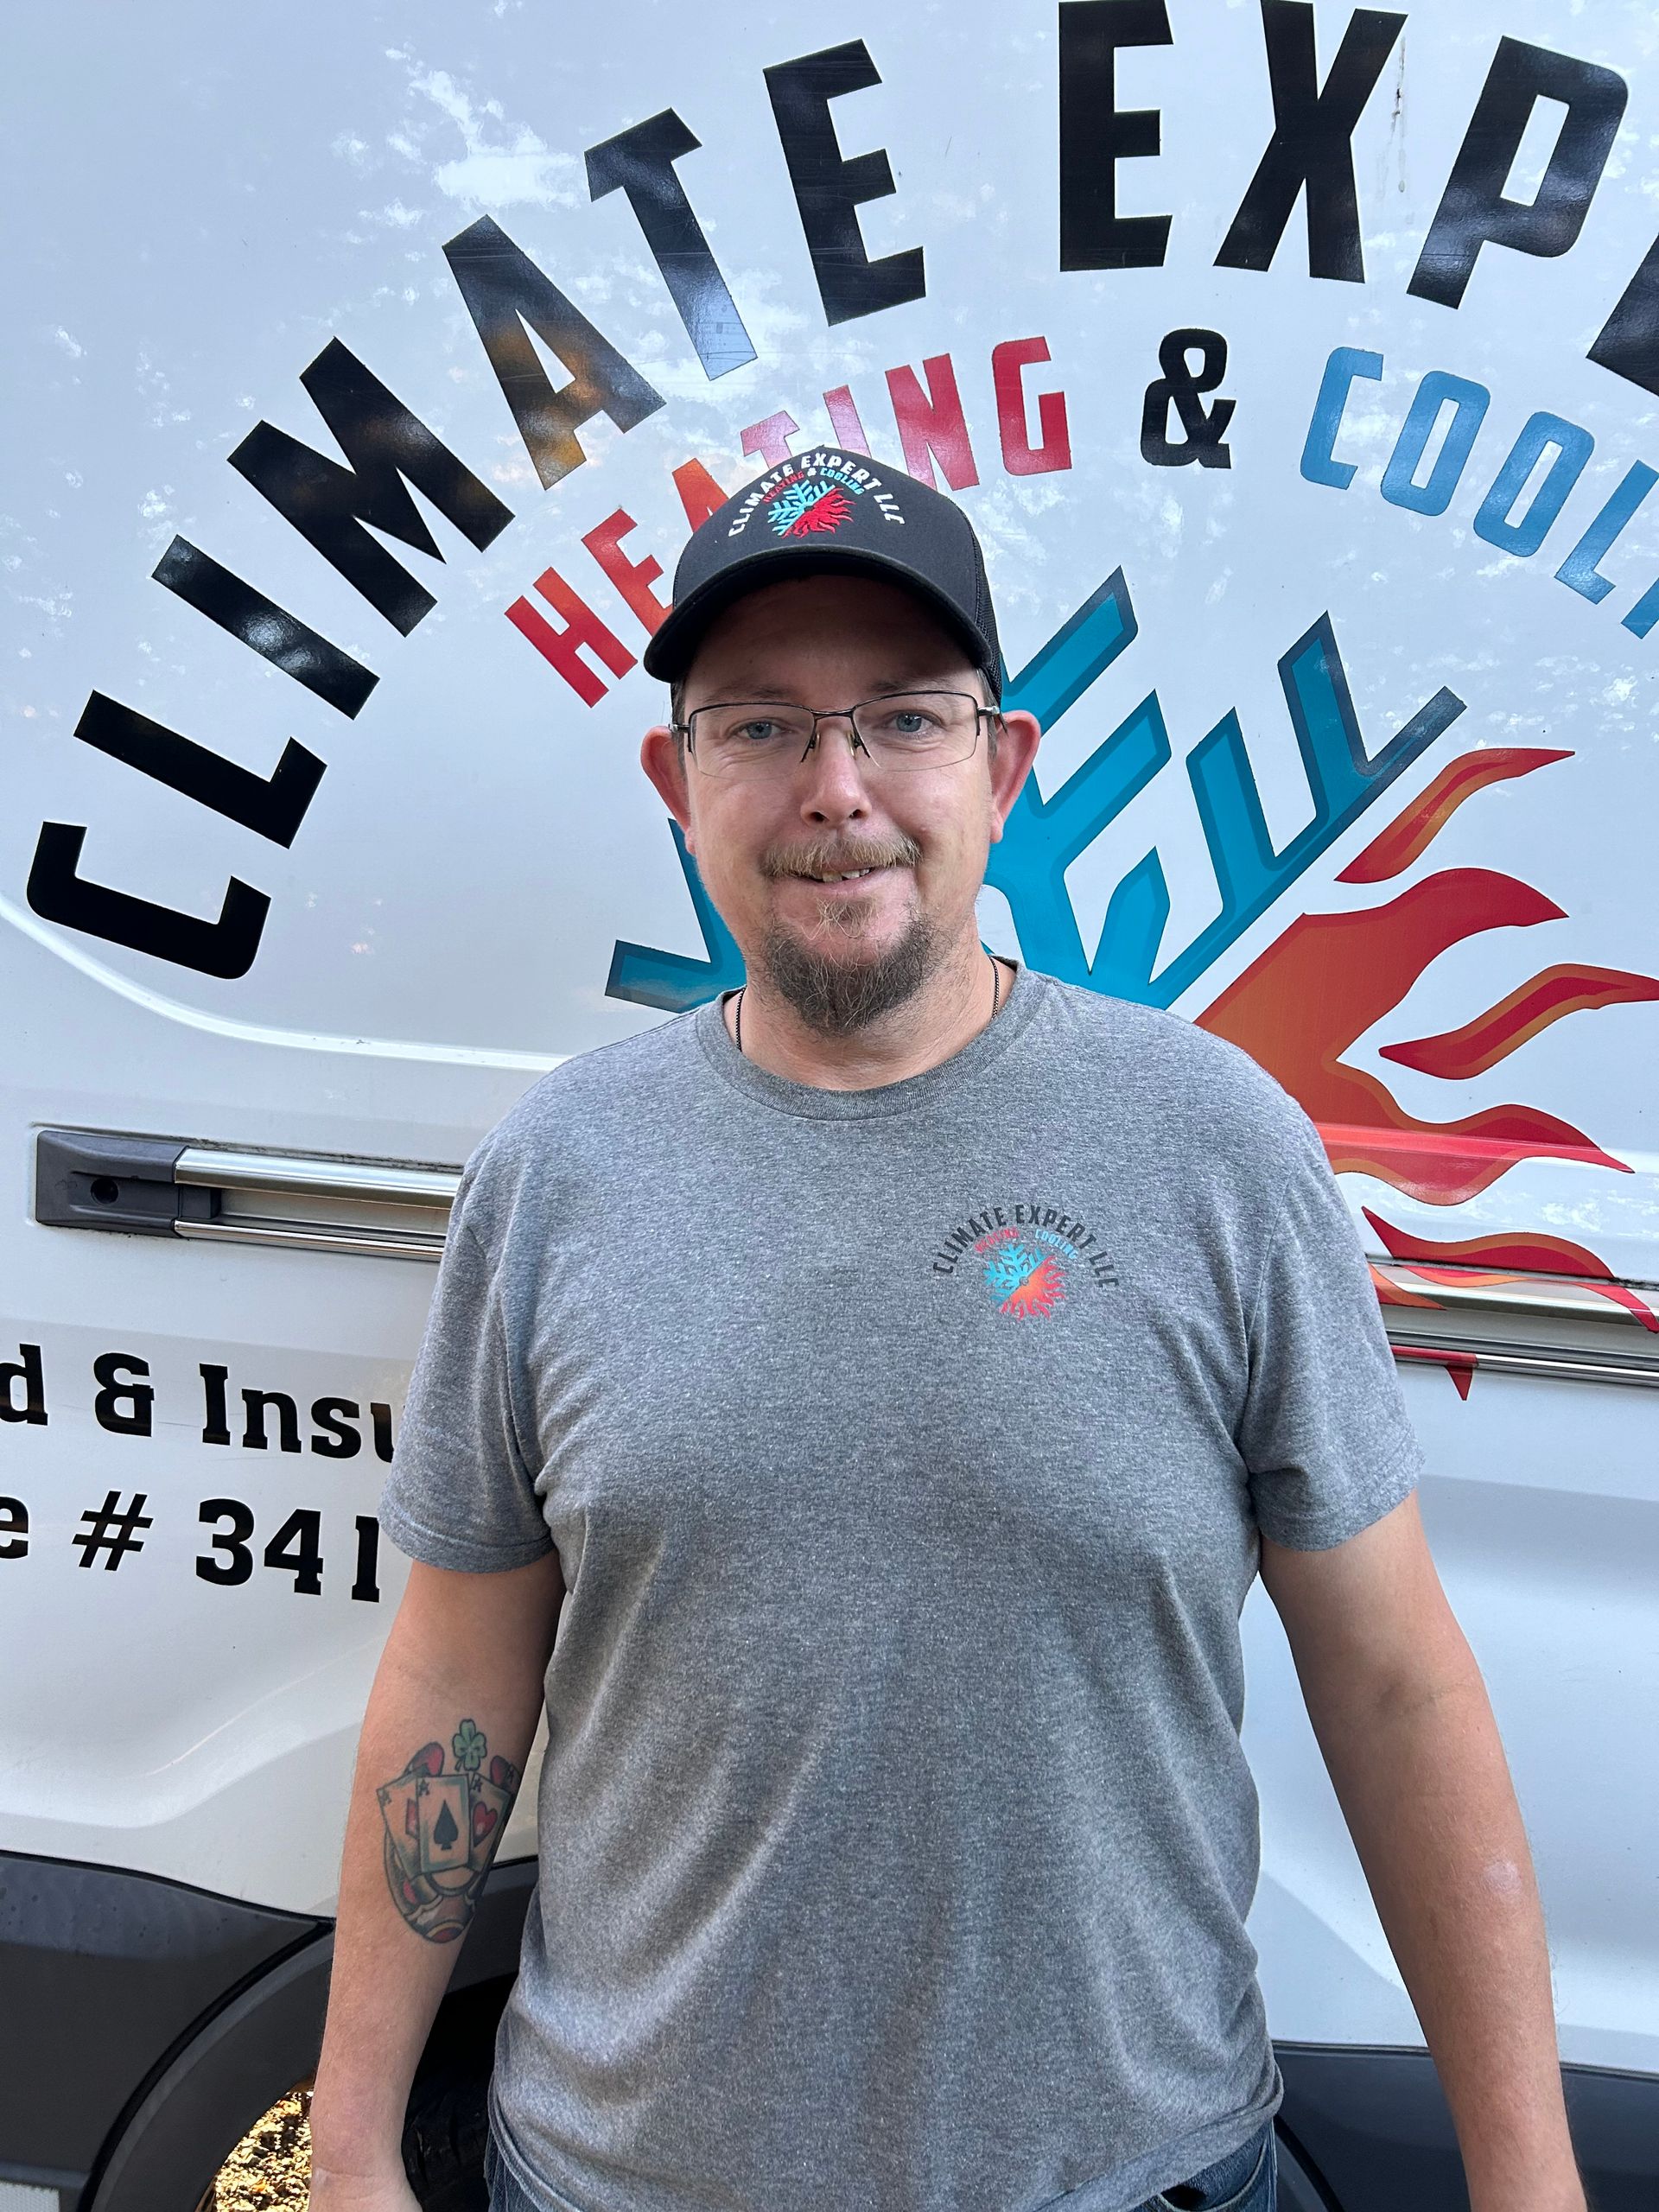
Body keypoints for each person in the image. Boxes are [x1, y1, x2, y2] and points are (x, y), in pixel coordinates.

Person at [305, 455, 1586, 2212]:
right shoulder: (557, 1171)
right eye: (757, 727)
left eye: (901, 717)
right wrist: (350, 2138)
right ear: (676, 780)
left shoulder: (1215, 1145)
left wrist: (1530, 2183)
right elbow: (456, 1670)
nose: (836, 790)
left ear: (1005, 763)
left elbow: (1393, 1678)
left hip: (1135, 2177)